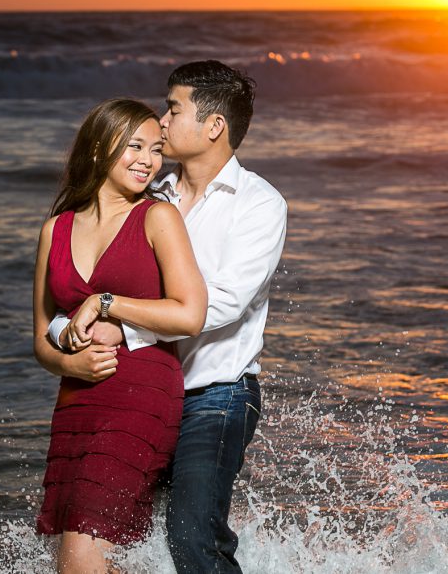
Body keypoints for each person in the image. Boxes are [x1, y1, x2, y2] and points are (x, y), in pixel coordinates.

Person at [48, 61, 288, 573]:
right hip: (140, 394)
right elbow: (85, 280)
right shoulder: (151, 196)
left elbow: (219, 303)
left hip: (215, 393)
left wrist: (118, 320)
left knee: (191, 535)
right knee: (117, 537)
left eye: (174, 108)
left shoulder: (259, 204)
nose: (162, 119)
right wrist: (71, 335)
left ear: (214, 126)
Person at [31, 98, 207, 573]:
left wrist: (106, 303)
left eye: (155, 149)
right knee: (89, 550)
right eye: (134, 146)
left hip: (141, 398)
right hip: (76, 403)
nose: (148, 160)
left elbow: (190, 314)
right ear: (97, 150)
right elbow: (41, 339)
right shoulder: (56, 230)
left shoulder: (157, 218)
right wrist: (69, 362)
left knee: (80, 553)